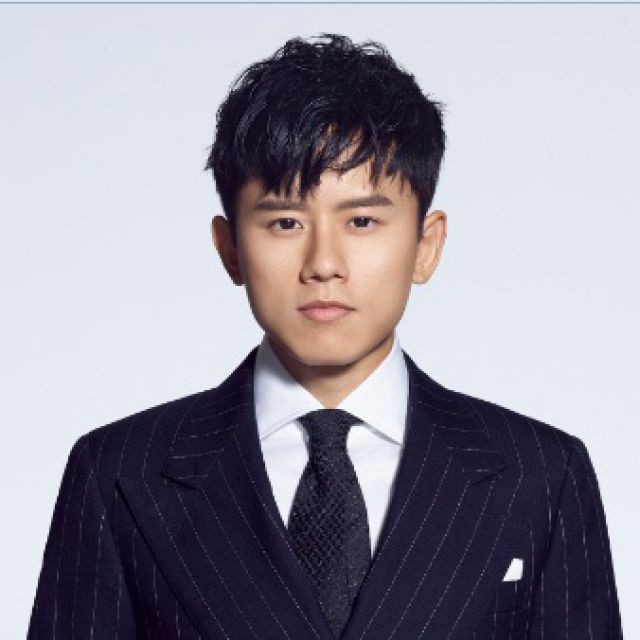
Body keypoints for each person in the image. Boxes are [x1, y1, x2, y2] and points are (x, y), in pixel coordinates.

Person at [27, 33, 622, 639]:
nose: (324, 264)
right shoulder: (121, 474)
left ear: (426, 245)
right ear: (230, 248)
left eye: (361, 220)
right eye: (286, 222)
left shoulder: (540, 475)